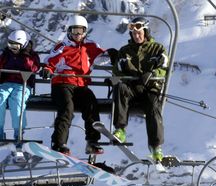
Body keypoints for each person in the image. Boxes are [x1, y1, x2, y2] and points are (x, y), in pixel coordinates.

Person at [42, 15, 108, 155]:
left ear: (85, 32)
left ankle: (92, 141)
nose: (78, 35)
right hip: (62, 83)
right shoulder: (63, 46)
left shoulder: (90, 45)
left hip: (81, 85)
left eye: (81, 31)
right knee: (67, 108)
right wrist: (48, 69)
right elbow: (50, 60)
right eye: (74, 31)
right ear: (69, 31)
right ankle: (59, 143)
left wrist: (112, 55)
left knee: (91, 105)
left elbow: (102, 57)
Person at [111, 16, 168, 162]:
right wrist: (125, 77)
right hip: (132, 88)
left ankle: (156, 147)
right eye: (134, 34)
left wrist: (153, 74)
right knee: (120, 87)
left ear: (146, 32)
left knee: (153, 106)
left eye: (140, 33)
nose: (137, 36)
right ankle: (120, 129)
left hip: (150, 89)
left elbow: (166, 68)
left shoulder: (158, 49)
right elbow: (117, 71)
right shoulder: (125, 51)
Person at [0, 30, 40, 151]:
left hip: (23, 84)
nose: (12, 48)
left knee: (17, 101)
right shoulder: (6, 54)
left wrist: (25, 55)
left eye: (15, 46)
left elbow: (33, 67)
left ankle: (19, 132)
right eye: (10, 44)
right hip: (6, 83)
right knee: (0, 98)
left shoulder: (31, 55)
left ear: (23, 45)